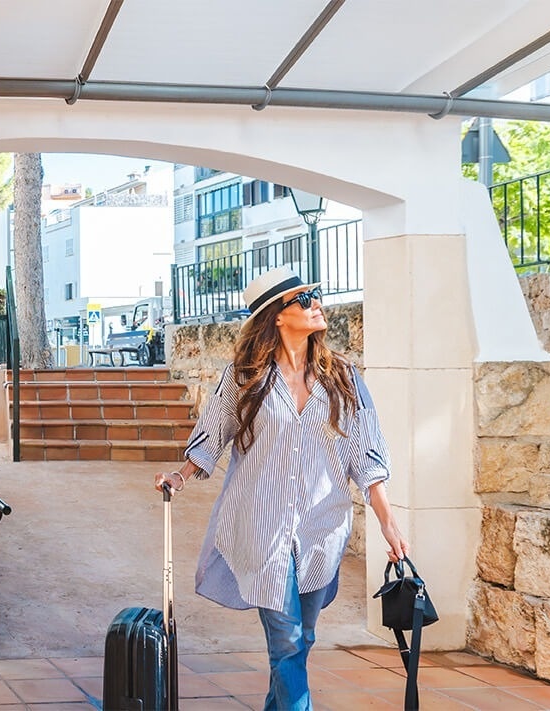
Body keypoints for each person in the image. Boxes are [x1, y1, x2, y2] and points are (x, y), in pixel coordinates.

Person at [154, 266, 408, 711]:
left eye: (316, 295)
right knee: (288, 643)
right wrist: (181, 476)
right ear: (277, 315)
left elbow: (367, 453)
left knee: (302, 638)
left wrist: (388, 522)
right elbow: (213, 434)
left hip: (321, 529)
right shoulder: (245, 375)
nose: (317, 304)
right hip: (260, 525)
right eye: (304, 299)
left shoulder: (342, 378)